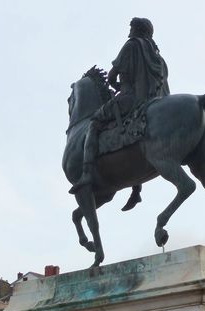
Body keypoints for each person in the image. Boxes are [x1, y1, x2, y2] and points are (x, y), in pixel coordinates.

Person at [69, 17, 170, 196]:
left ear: (137, 29)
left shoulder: (131, 45)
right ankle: (136, 188)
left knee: (94, 121)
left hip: (130, 99)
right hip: (155, 101)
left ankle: (85, 173)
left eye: (131, 28)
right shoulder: (158, 56)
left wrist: (116, 86)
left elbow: (112, 76)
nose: (129, 31)